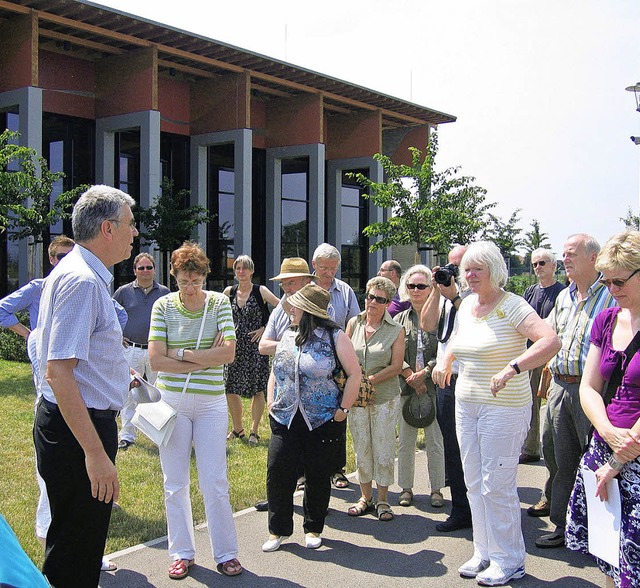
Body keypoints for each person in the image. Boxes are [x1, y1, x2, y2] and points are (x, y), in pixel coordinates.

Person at [432, 241, 560, 586]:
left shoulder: (513, 306)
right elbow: (455, 342)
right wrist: (445, 361)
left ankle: (509, 560)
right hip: (466, 404)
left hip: (504, 407)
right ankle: (484, 551)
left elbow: (550, 341)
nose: (470, 276)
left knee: (497, 484)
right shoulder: (467, 304)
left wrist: (513, 368)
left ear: (495, 271)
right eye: (466, 270)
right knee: (473, 481)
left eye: (477, 269)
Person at [33, 185, 139, 587]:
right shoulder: (82, 280)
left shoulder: (82, 274)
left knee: (77, 542)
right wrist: (94, 453)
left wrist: (118, 376)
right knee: (76, 549)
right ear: (108, 228)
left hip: (76, 423)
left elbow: (78, 362)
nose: (135, 234)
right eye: (130, 225)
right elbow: (59, 373)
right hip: (78, 430)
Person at [148, 242, 242, 580]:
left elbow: (228, 354)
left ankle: (226, 552)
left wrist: (182, 354)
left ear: (205, 277)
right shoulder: (162, 306)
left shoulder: (218, 303)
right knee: (174, 482)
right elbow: (156, 360)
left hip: (211, 404)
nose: (190, 288)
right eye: (184, 281)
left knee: (214, 480)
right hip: (172, 403)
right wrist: (202, 356)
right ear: (174, 276)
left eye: (196, 281)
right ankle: (181, 553)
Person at [565, 231, 640, 588]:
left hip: (633, 452)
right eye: (607, 280)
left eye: (620, 280)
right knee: (609, 551)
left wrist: (622, 454)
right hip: (605, 445)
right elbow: (590, 387)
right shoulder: (607, 319)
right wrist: (607, 432)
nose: (611, 288)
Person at [262, 284, 361, 552]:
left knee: (317, 475)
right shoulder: (287, 334)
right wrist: (271, 399)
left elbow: (355, 374)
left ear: (308, 310)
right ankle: (277, 530)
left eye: (295, 305)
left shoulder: (334, 336)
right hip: (284, 417)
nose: (290, 309)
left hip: (321, 418)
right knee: (278, 472)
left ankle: (313, 527)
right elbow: (276, 370)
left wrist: (343, 409)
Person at [533, 233, 616, 548]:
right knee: (557, 458)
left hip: (594, 391)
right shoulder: (564, 297)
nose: (564, 259)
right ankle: (562, 526)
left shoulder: (611, 294)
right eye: (563, 254)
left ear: (593, 258)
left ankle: (603, 534)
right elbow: (547, 335)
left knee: (598, 461)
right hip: (558, 386)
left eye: (571, 254)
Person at [255, 257, 314, 510]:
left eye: (291, 283)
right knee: (281, 455)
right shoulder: (280, 310)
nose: (287, 289)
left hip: (312, 396)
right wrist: (290, 345)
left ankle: (315, 508)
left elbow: (325, 346)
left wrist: (285, 347)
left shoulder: (318, 308)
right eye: (284, 284)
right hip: (282, 392)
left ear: (305, 282)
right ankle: (279, 501)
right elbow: (263, 345)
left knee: (310, 456)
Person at [421, 244, 473, 532]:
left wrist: (455, 296)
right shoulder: (444, 293)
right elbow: (427, 324)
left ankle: (478, 509)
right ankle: (461, 509)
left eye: (460, 265)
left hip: (468, 379)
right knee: (452, 448)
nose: (454, 271)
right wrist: (434, 289)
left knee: (472, 449)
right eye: (450, 265)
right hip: (445, 382)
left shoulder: (476, 294)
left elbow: (471, 321)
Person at [346, 276, 405, 521]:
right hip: (357, 399)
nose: (372, 302)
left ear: (388, 303)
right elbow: (345, 353)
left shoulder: (396, 330)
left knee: (383, 448)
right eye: (370, 296)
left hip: (384, 398)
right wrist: (354, 380)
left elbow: (397, 365)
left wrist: (369, 381)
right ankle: (364, 497)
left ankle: (382, 500)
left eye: (380, 299)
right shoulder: (354, 323)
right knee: (362, 447)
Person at [395, 265, 445, 508]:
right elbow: (392, 353)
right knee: (406, 442)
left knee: (435, 441)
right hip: (406, 389)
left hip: (435, 388)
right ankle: (406, 488)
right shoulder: (398, 320)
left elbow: (446, 351)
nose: (415, 290)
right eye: (411, 286)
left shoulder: (440, 319)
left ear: (430, 288)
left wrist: (424, 374)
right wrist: (409, 374)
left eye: (421, 286)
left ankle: (436, 489)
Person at [312, 243, 361, 489]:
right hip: (309, 362)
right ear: (314, 266)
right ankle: (305, 472)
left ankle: (336, 470)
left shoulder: (345, 291)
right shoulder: (305, 290)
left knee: (338, 414)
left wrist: (347, 353)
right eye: (323, 268)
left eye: (333, 268)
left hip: (338, 360)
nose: (328, 273)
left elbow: (354, 322)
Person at [113, 252, 169, 451]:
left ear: (154, 269)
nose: (145, 272)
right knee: (129, 394)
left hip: (157, 351)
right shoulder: (122, 292)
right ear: (135, 270)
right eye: (141, 268)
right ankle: (127, 435)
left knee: (159, 393)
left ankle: (158, 435)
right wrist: (118, 336)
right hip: (131, 350)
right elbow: (110, 316)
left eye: (149, 267)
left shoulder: (165, 293)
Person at [223, 255, 280, 445]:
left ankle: (254, 431)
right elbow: (217, 314)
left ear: (252, 271)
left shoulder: (260, 291)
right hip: (234, 348)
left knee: (258, 390)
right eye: (238, 268)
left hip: (256, 348)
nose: (241, 272)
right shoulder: (229, 292)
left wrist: (266, 329)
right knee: (230, 387)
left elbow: (281, 309)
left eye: (245, 268)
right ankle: (237, 428)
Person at [519, 248, 565, 465]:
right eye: (535, 264)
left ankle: (557, 449)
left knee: (554, 405)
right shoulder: (530, 291)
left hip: (553, 356)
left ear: (554, 266)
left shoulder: (561, 292)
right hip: (531, 353)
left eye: (543, 263)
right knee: (531, 402)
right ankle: (531, 447)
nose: (538, 267)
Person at [0, 235, 75, 339]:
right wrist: (29, 335)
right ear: (51, 259)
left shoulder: (82, 288)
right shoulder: (37, 288)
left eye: (71, 257)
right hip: (44, 353)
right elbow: (1, 309)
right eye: (61, 257)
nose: (66, 261)